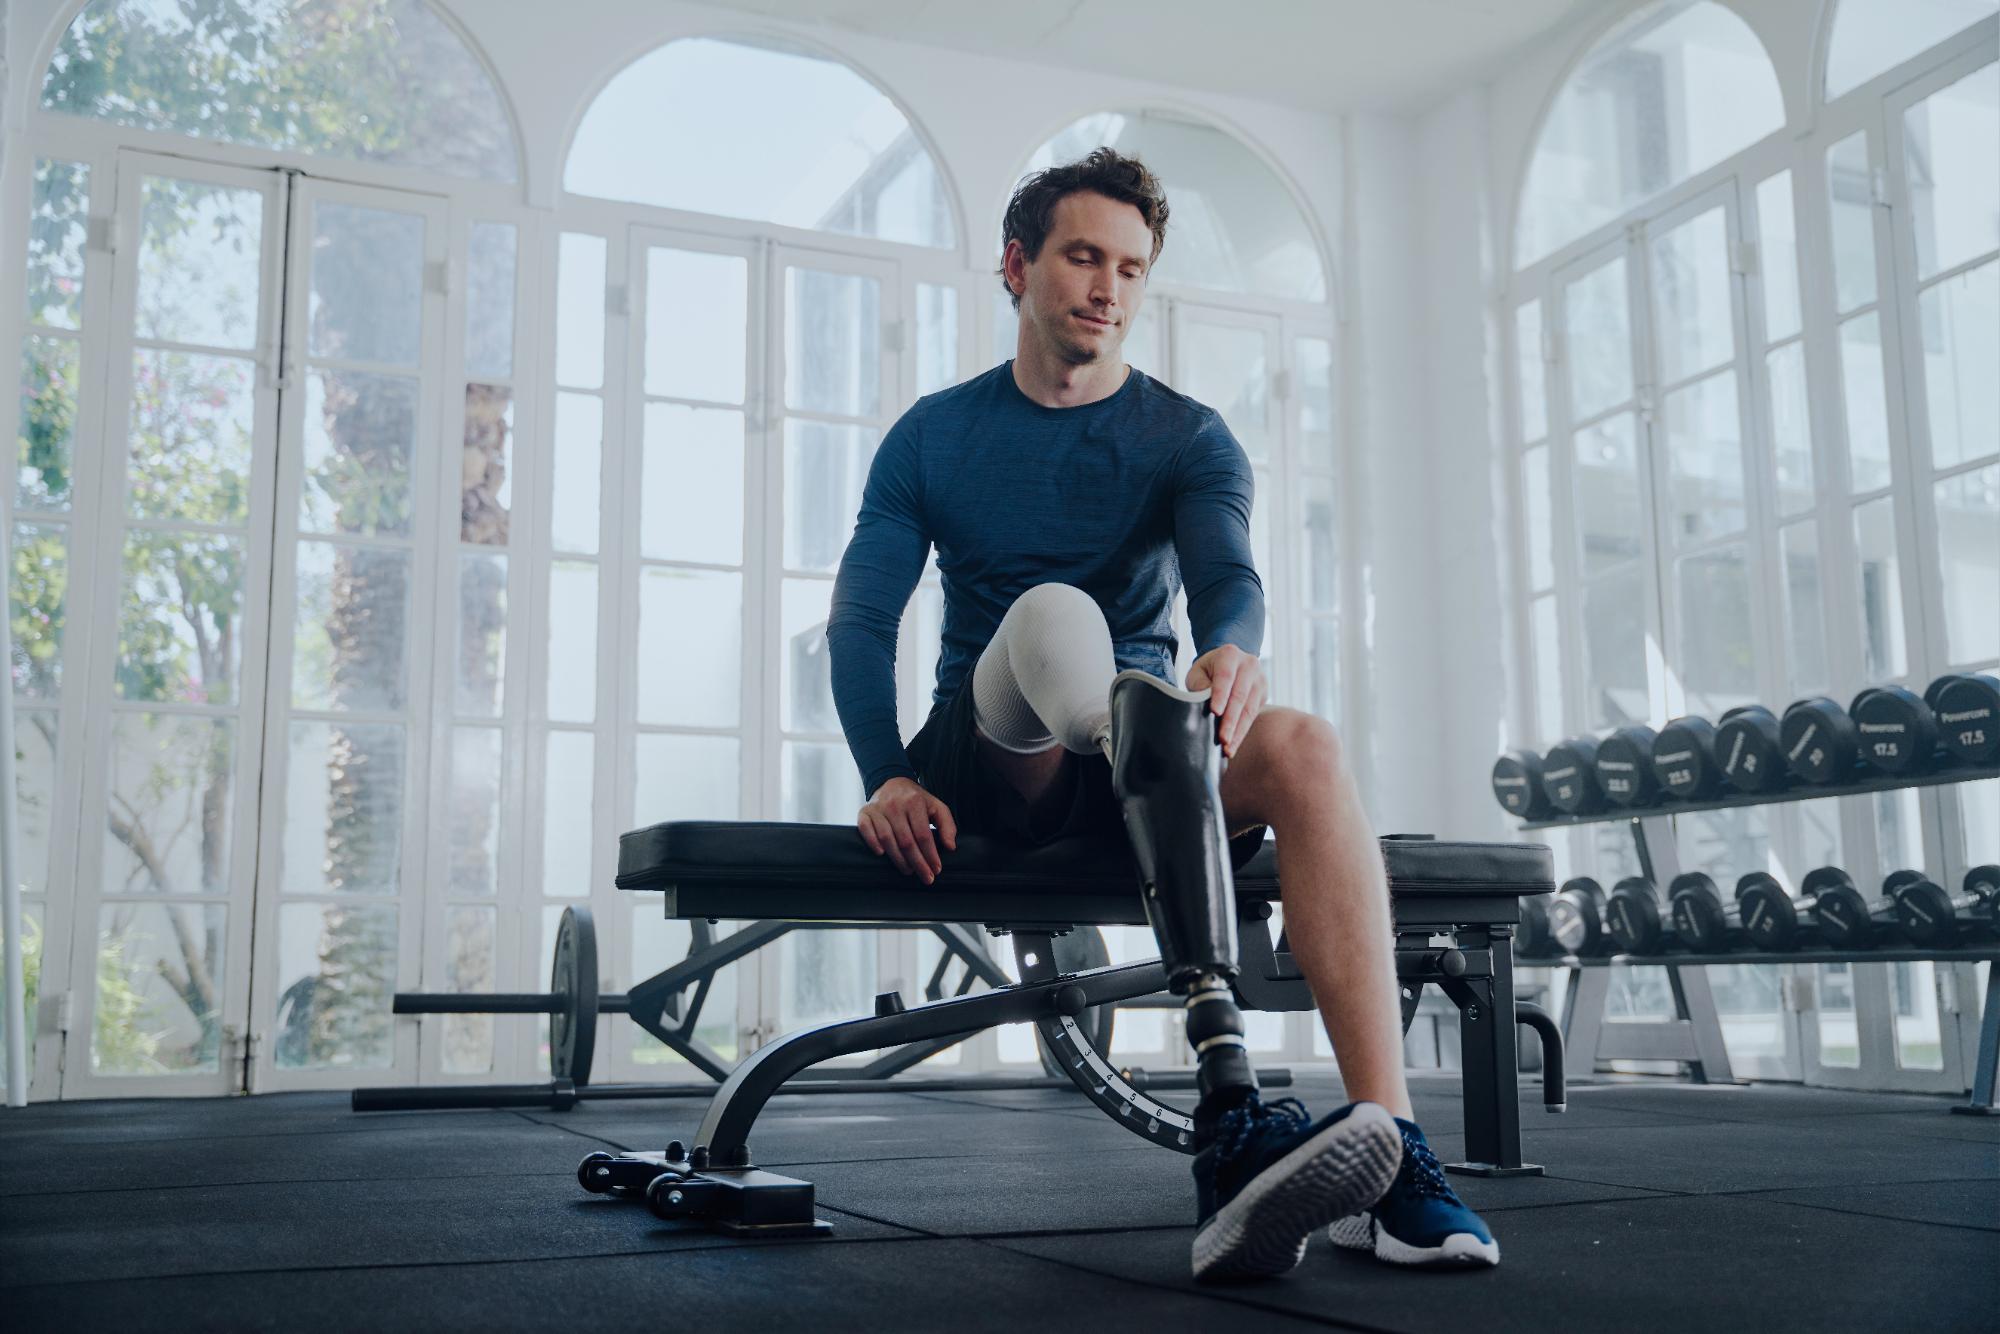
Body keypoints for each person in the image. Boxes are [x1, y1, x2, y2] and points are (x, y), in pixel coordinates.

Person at [826, 148, 1496, 1280]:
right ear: (1014, 266)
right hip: (1000, 758)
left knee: (1303, 744)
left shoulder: (1187, 436)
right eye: (1082, 256)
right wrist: (884, 772)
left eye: (1130, 268)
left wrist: (1233, 648)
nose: (1107, 287)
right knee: (1051, 613)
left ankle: (1393, 1158)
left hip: (1152, 779)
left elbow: (1226, 577)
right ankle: (1131, 732)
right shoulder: (932, 436)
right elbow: (861, 622)